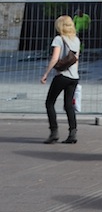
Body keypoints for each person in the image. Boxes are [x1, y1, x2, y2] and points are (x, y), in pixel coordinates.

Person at [40, 14, 81, 144]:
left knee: (49, 102)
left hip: (62, 76)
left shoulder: (58, 39)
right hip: (74, 77)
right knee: (69, 105)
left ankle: (54, 132)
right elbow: (76, 60)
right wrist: (75, 73)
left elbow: (55, 58)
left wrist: (46, 74)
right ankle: (72, 132)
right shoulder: (76, 40)